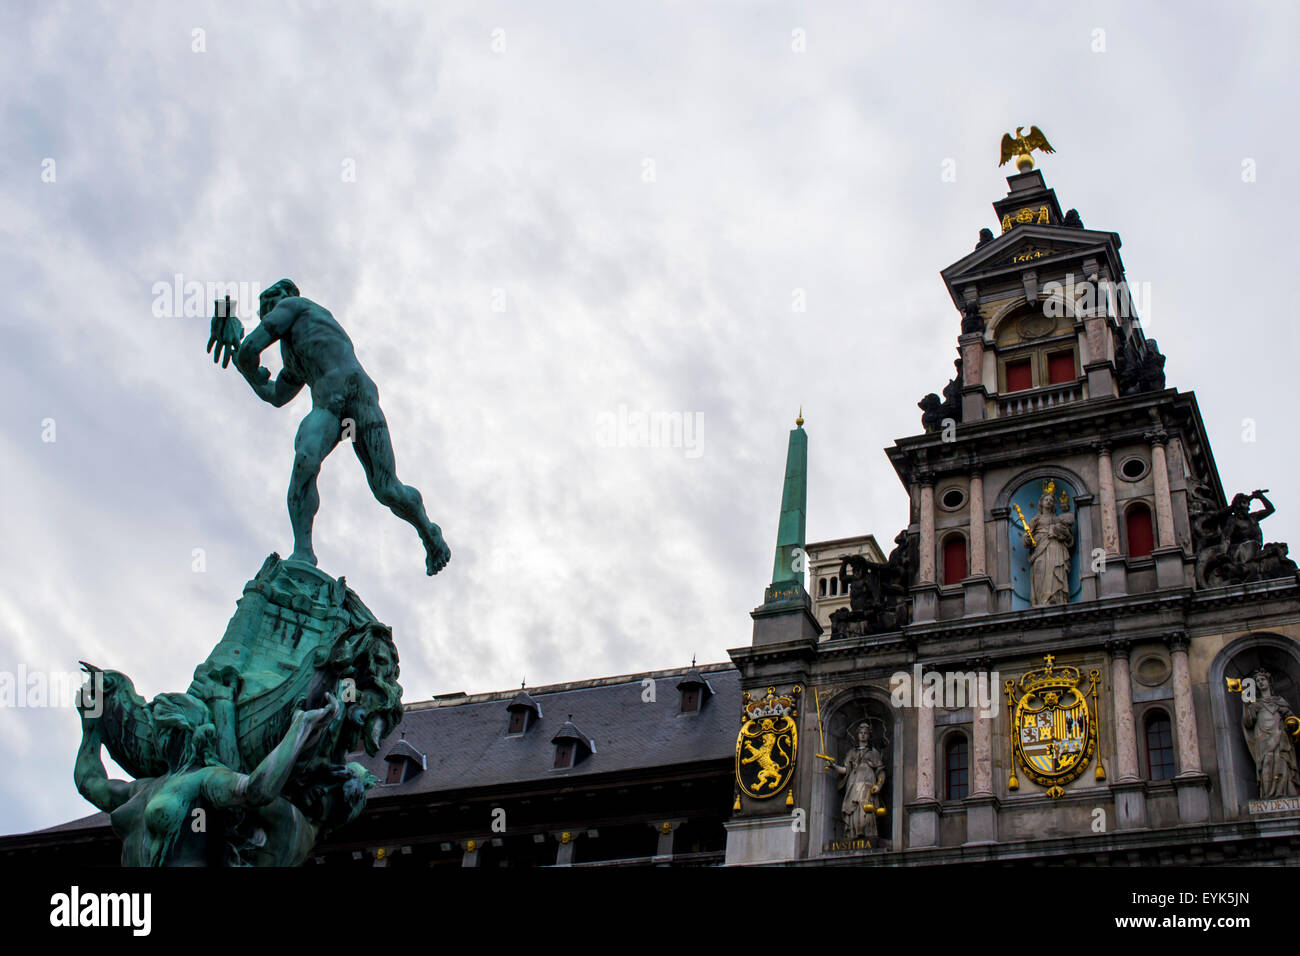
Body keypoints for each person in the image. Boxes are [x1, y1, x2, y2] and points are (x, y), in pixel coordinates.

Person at [208, 279, 450, 575]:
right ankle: (303, 552)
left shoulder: (295, 306)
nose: (266, 312)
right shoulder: (294, 358)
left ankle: (429, 532)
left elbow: (250, 351)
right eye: (262, 310)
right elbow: (275, 395)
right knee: (305, 460)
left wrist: (232, 330)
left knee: (387, 489)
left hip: (358, 398)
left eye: (269, 303)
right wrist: (237, 352)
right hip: (329, 410)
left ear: (285, 296)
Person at [76, 686, 340, 866]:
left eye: (158, 727)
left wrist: (301, 727)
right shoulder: (143, 789)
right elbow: (89, 783)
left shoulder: (206, 778)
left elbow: (257, 790)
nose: (153, 737)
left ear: (178, 730)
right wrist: (91, 730)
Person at [1242, 669, 1300, 798]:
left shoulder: (1279, 701)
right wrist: (1247, 706)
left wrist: (1291, 725)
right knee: (1266, 762)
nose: (1260, 683)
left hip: (1280, 735)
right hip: (1262, 737)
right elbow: (1248, 723)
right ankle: (1268, 793)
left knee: (1281, 760)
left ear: (1269, 682)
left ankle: (1284, 791)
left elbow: (1291, 719)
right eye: (1257, 681)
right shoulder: (1255, 705)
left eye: (1262, 680)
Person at [829, 723, 886, 841]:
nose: (863, 735)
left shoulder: (873, 753)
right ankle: (853, 832)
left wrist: (879, 785)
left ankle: (867, 832)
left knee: (866, 805)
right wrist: (833, 766)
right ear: (858, 735)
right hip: (853, 783)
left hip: (868, 783)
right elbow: (845, 770)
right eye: (861, 733)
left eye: (865, 733)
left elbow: (881, 771)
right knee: (853, 806)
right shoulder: (852, 753)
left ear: (869, 735)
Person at [1025, 492, 1074, 605]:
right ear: (1041, 503)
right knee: (1040, 572)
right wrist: (1028, 539)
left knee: (1057, 571)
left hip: (1056, 547)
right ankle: (1042, 599)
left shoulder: (1059, 519)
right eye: (1046, 500)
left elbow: (1069, 537)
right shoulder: (1036, 520)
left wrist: (1057, 531)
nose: (1049, 502)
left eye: (1051, 500)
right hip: (1040, 550)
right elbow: (1027, 538)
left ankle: (1058, 598)